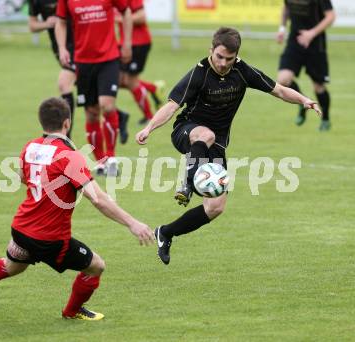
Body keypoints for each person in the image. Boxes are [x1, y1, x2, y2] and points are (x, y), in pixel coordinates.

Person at [0, 97, 154, 321]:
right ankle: (72, 311)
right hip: (50, 238)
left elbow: (22, 177)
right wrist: (133, 223)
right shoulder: (69, 156)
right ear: (67, 123)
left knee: (11, 266)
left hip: (21, 228)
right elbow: (98, 199)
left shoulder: (31, 147)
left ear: (43, 123)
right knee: (96, 266)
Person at [135, 27, 322, 265]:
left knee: (215, 207)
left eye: (229, 59)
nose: (223, 63)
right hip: (187, 132)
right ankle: (188, 182)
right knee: (206, 134)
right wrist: (148, 128)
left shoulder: (242, 72)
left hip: (216, 145)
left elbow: (279, 90)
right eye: (219, 57)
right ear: (211, 50)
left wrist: (304, 100)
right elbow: (172, 106)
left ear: (236, 57)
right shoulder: (199, 74)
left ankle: (166, 232)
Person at [55, 0, 133, 176]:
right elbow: (60, 21)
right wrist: (62, 48)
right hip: (83, 61)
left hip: (109, 58)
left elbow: (126, 11)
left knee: (107, 105)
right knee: (91, 113)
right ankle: (100, 161)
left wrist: (127, 42)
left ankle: (111, 158)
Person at [276, 0, 335, 131]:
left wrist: (311, 33)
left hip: (315, 43)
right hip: (295, 41)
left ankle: (325, 119)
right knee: (283, 80)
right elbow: (286, 7)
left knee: (319, 87)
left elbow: (331, 16)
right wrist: (282, 28)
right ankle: (303, 102)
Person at [28, 0, 77, 138]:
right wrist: (47, 24)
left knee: (64, 84)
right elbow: (32, 25)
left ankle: (66, 136)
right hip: (60, 48)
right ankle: (118, 115)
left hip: (79, 44)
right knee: (88, 90)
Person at [116, 0, 165, 125]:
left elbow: (141, 17)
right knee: (119, 80)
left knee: (130, 81)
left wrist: (122, 19)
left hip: (138, 43)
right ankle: (153, 88)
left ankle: (149, 117)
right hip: (124, 43)